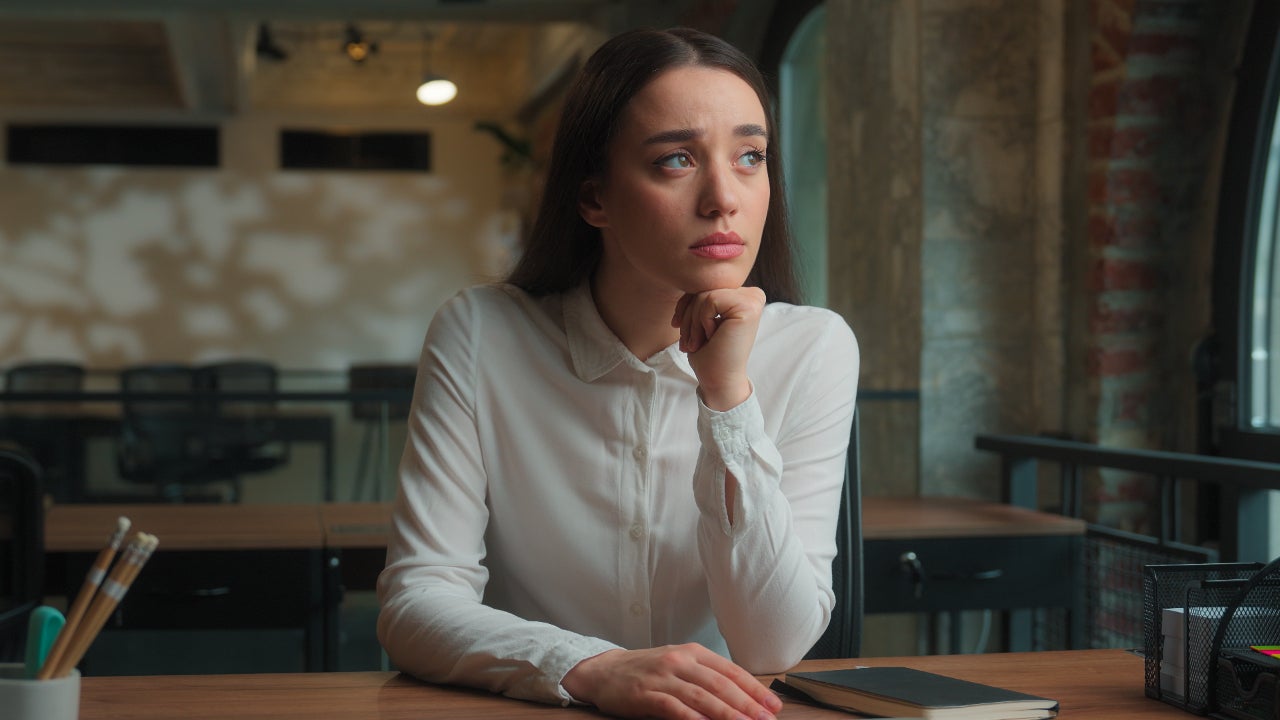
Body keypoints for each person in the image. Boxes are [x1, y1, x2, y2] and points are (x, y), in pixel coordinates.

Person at [377, 26, 859, 720]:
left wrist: (726, 400)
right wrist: (590, 668)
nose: (724, 198)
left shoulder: (814, 346)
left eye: (750, 156)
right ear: (594, 198)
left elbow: (771, 644)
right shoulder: (482, 333)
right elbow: (416, 602)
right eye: (676, 160)